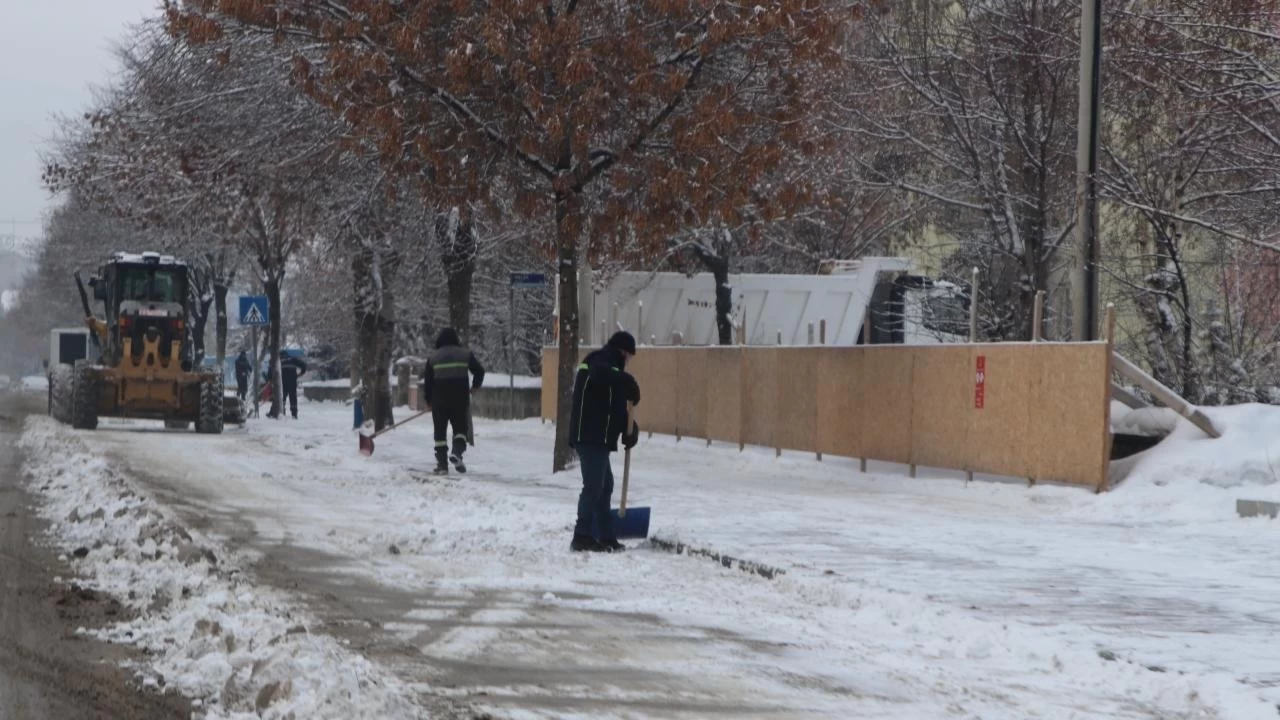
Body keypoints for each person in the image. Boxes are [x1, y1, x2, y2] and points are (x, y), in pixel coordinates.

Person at [568, 331, 641, 553]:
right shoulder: (599, 361)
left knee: (605, 485)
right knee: (594, 486)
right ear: (623, 351)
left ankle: (606, 536)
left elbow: (614, 410)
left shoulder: (613, 374)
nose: (628, 361)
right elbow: (601, 374)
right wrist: (627, 380)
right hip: (589, 435)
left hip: (598, 437)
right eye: (629, 356)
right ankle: (582, 536)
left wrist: (630, 430)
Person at [422, 328, 485, 474]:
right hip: (459, 400)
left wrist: (428, 400)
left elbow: (428, 383)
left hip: (439, 402)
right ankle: (457, 452)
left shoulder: (433, 358)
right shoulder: (465, 354)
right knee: (460, 430)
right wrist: (475, 386)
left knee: (440, 434)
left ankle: (442, 465)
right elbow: (479, 371)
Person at [271, 350, 308, 419]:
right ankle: (294, 414)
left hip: (283, 382)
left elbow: (271, 370)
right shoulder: (293, 359)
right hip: (292, 381)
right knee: (293, 397)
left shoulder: (279, 362)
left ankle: (282, 412)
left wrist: (271, 380)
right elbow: (303, 365)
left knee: (282, 397)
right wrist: (300, 374)